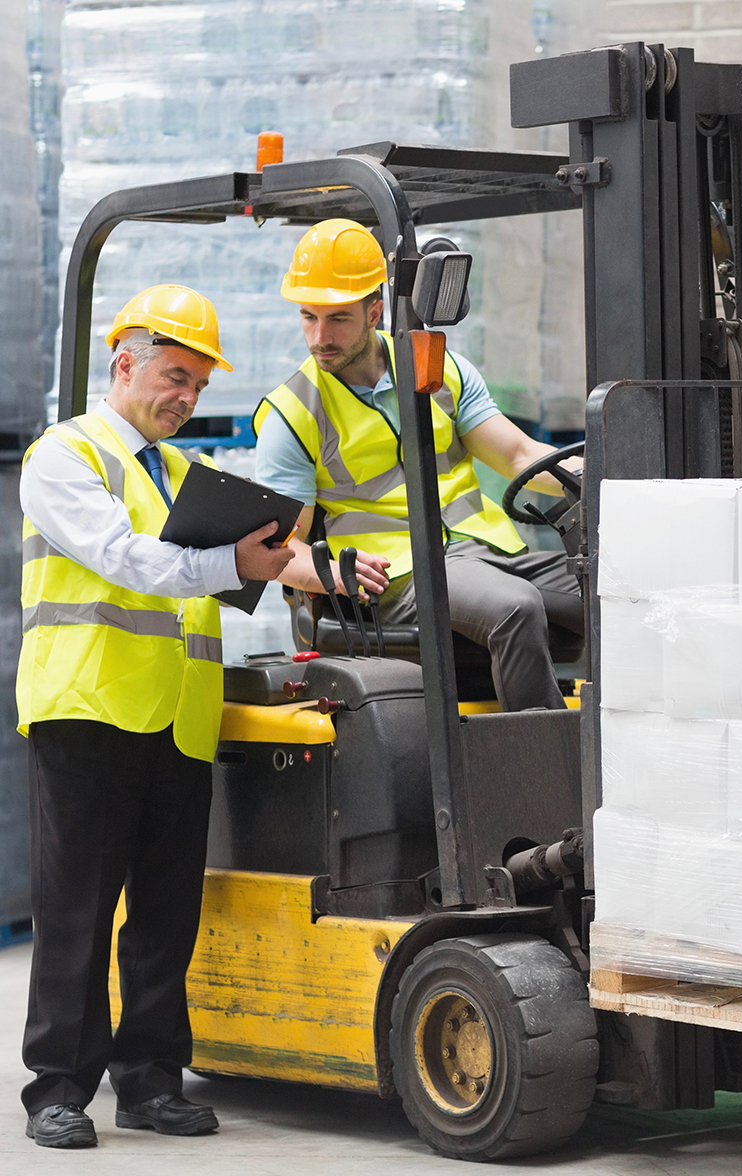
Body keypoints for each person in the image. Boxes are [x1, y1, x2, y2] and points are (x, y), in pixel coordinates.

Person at [16, 284, 294, 1148]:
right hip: (89, 711)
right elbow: (122, 558)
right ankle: (58, 1088)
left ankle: (150, 1082)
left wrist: (314, 568)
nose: (188, 397)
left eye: (200, 386)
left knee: (167, 913)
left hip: (176, 715)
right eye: (176, 376)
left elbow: (242, 565)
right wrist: (228, 562)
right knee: (79, 912)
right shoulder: (66, 457)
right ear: (124, 363)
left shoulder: (183, 474)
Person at [253, 219, 583, 711]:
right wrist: (330, 577)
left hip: (486, 551)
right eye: (308, 318)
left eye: (338, 319)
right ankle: (543, 778)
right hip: (400, 573)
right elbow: (279, 546)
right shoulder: (293, 412)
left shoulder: (441, 370)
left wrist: (605, 475)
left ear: (375, 310)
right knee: (514, 608)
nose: (319, 337)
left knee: (613, 590)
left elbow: (517, 455)